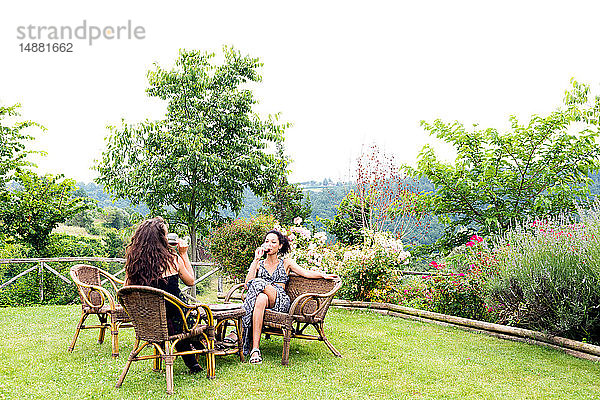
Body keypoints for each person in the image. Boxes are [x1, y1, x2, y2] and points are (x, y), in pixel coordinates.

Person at [235, 229, 338, 364]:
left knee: (258, 283)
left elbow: (306, 273)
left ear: (280, 246)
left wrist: (323, 275)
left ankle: (240, 332)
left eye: (273, 242)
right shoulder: (259, 264)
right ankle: (255, 350)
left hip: (280, 301)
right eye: (267, 241)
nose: (269, 244)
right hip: (264, 300)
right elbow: (247, 284)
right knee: (260, 298)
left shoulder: (286, 263)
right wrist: (256, 259)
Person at [123, 216, 202, 373]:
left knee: (171, 320)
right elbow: (191, 281)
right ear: (161, 239)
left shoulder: (133, 263)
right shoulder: (173, 260)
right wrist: (184, 254)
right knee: (184, 319)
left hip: (146, 319)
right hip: (178, 318)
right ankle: (195, 357)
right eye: (165, 235)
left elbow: (125, 289)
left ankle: (193, 359)